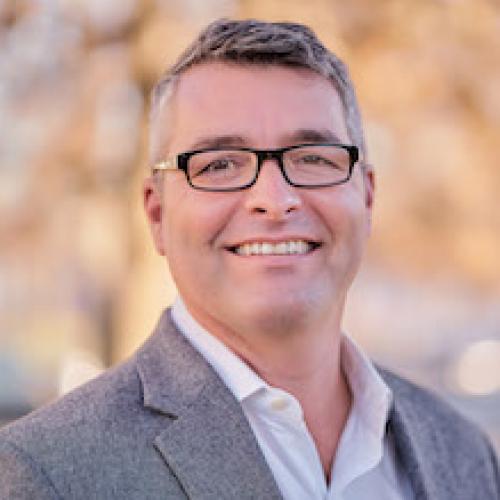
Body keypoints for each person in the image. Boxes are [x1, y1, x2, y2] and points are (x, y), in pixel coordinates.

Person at [0, 18, 498, 500]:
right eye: (219, 164)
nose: (274, 200)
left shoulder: (463, 452)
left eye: (312, 157)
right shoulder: (48, 473)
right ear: (157, 213)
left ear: (366, 198)